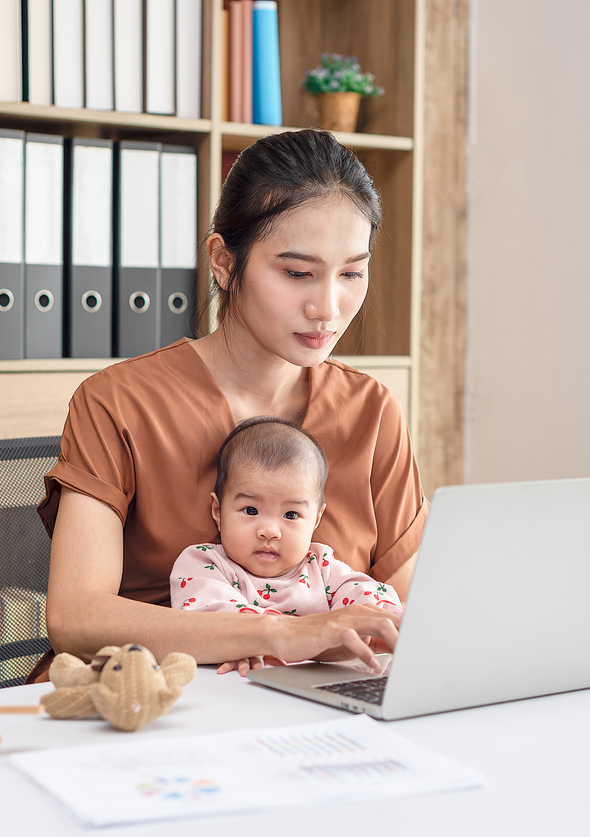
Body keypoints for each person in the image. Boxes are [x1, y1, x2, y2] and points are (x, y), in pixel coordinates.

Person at [35, 129, 424, 681]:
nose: (327, 307)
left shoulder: (372, 410)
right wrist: (281, 634)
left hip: (319, 711)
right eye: (297, 273)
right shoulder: (117, 403)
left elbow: (419, 616)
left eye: (352, 273)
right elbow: (76, 618)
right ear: (223, 261)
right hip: (157, 701)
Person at [170, 417, 402, 675]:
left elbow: (369, 595)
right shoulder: (205, 563)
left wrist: (373, 622)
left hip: (316, 686)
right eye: (250, 510)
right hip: (242, 685)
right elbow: (207, 616)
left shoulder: (322, 567)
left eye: (291, 515)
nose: (269, 530)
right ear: (217, 511)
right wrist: (247, 640)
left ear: (316, 520)